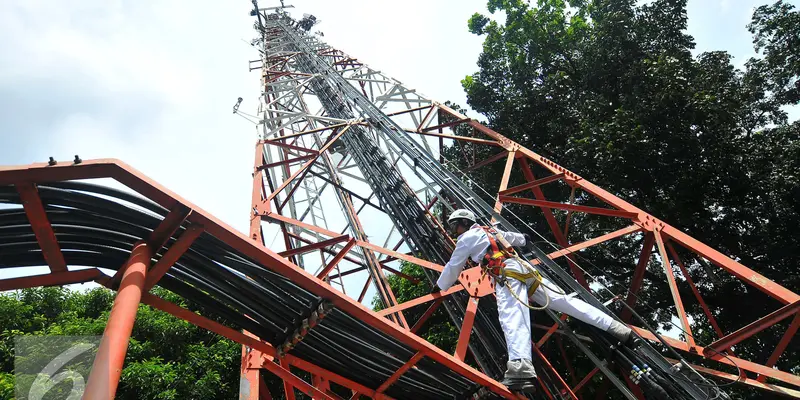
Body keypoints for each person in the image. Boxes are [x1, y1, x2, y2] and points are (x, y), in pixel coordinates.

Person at [436, 209, 633, 393]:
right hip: (525, 269)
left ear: (464, 222)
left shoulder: (466, 238)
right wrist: (525, 239)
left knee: (512, 317)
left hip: (507, 274)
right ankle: (616, 327)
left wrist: (440, 286)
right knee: (563, 300)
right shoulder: (491, 229)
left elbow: (454, 266)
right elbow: (516, 238)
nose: (454, 231)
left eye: (454, 226)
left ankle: (521, 368)